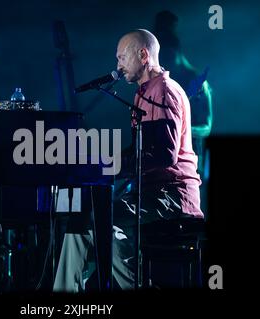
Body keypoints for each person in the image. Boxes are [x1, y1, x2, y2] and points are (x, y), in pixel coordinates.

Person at [53, 29, 203, 292]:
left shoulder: (163, 91)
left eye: (122, 58)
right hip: (152, 192)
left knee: (104, 220)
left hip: (171, 195)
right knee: (82, 218)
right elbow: (140, 151)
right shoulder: (144, 93)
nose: (118, 66)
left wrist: (108, 168)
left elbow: (163, 154)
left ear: (143, 55)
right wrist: (101, 164)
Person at [153, 10, 213, 177]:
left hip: (190, 162)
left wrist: (182, 129)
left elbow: (207, 127)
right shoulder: (156, 83)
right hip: (162, 163)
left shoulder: (198, 81)